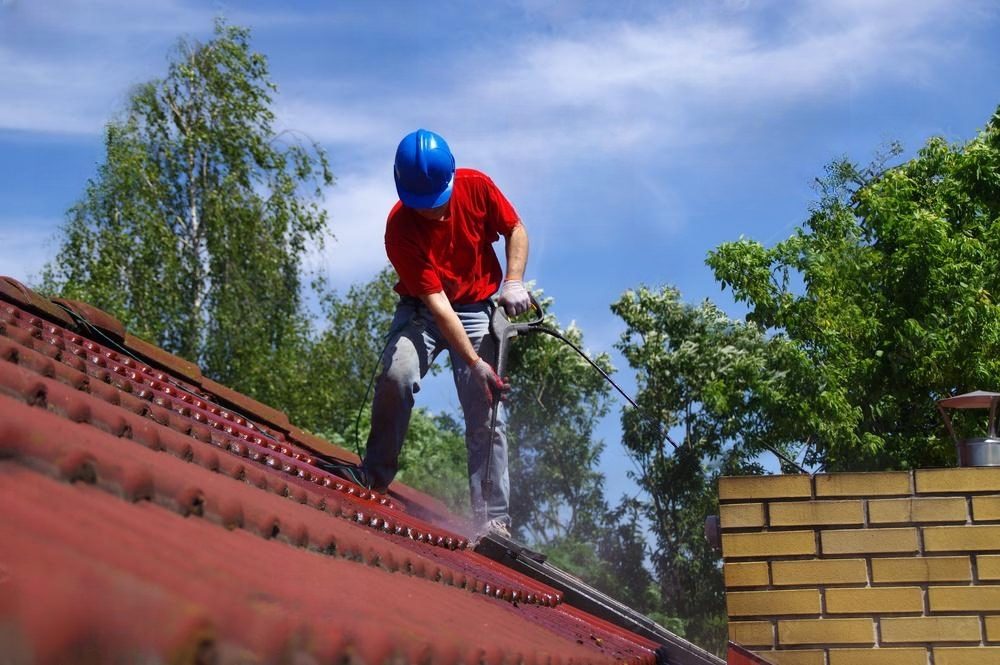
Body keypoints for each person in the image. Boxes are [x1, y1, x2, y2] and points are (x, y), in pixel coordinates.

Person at [353, 128, 530, 538]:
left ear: (451, 178)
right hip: (428, 310)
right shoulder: (399, 230)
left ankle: (493, 518)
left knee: (486, 411)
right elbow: (437, 305)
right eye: (422, 205)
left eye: (437, 202)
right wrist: (473, 361)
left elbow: (515, 229)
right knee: (398, 374)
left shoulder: (477, 186)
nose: (432, 212)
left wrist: (514, 281)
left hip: (477, 303)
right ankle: (375, 475)